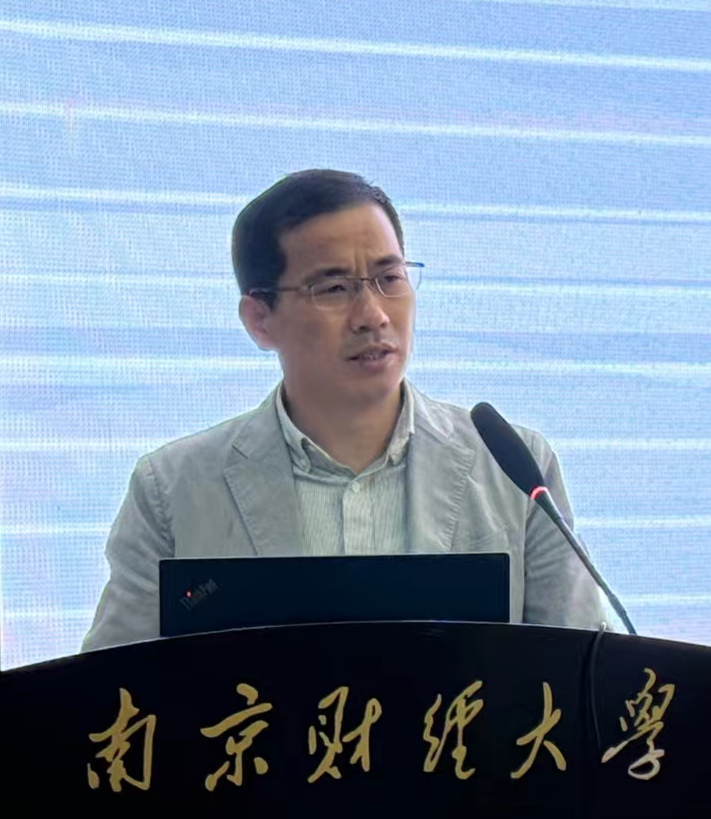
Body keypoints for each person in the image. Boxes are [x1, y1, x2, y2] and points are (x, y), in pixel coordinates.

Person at [81, 169, 607, 650]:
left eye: (390, 279)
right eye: (333, 288)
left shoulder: (514, 469)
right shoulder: (173, 490)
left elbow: (586, 675)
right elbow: (109, 696)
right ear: (260, 319)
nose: (373, 315)